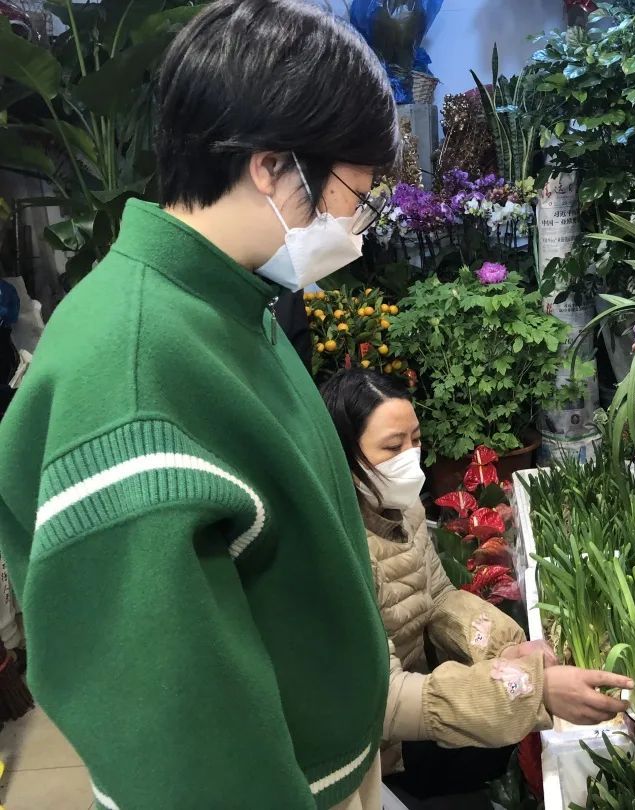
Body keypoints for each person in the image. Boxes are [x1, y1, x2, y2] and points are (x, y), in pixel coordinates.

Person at [0, 2, 399, 808]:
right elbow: (175, 733)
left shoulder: (225, 303)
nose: (356, 223)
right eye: (354, 193)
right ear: (271, 167)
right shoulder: (132, 369)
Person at [319, 369, 633, 801]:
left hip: (419, 705)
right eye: (392, 447)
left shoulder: (403, 508)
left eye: (415, 440)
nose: (410, 457)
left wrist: (506, 648)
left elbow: (439, 597)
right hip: (376, 754)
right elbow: (383, 699)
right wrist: (533, 690)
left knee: (501, 750)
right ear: (342, 456)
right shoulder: (335, 552)